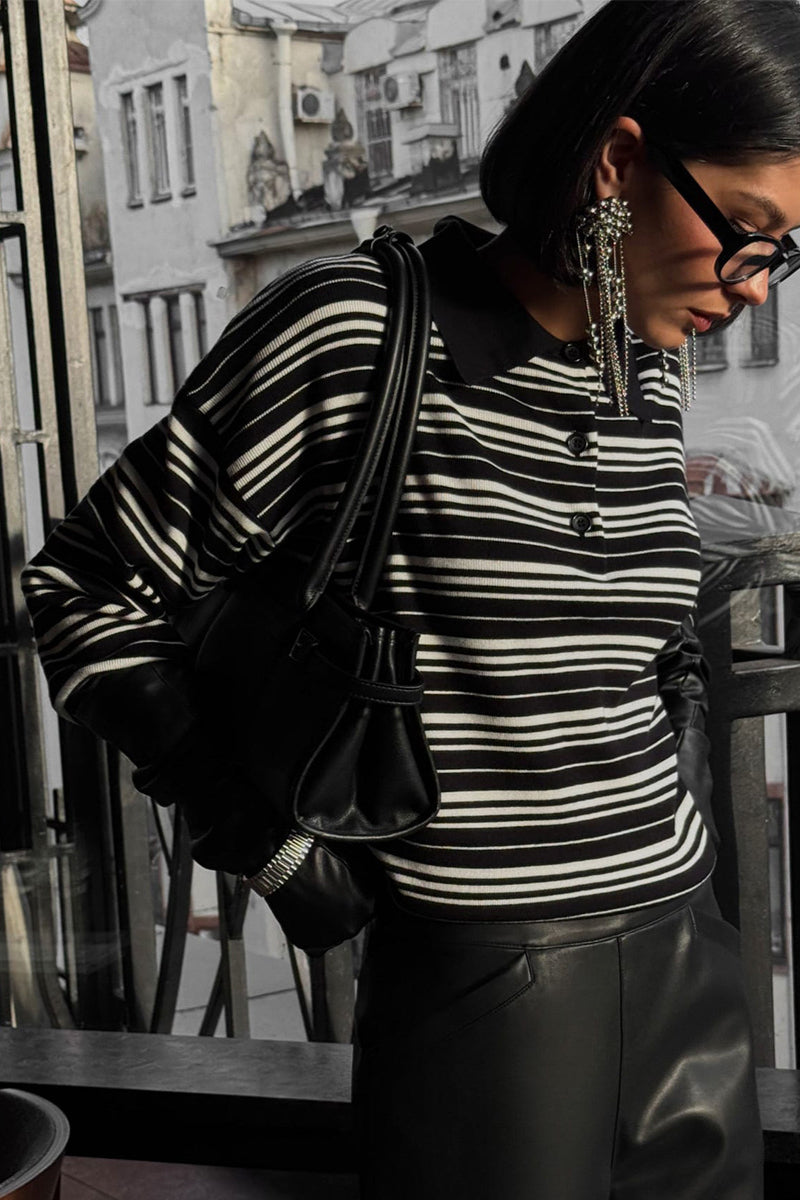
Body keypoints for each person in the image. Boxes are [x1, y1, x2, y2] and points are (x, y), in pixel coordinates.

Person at [21, 0, 800, 1195]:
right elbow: (85, 589)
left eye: (780, 252)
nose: (751, 289)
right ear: (617, 161)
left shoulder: (639, 367)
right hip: (490, 986)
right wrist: (274, 847)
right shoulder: (355, 332)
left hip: (684, 944)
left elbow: (627, 638)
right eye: (744, 233)